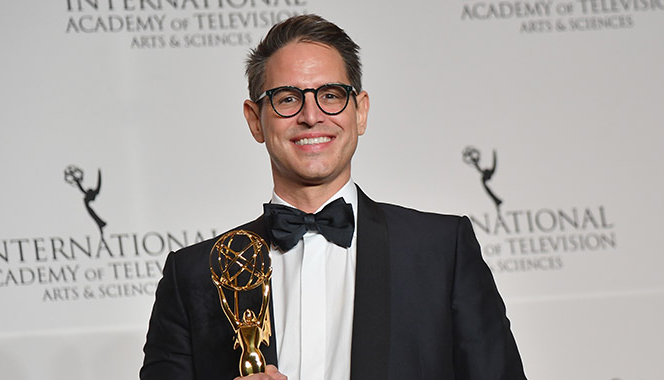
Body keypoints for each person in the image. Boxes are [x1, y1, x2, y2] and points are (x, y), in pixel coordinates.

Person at [141, 14, 526, 380]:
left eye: (330, 94)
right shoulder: (195, 274)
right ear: (255, 120)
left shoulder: (441, 251)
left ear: (360, 112)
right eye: (287, 98)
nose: (311, 115)